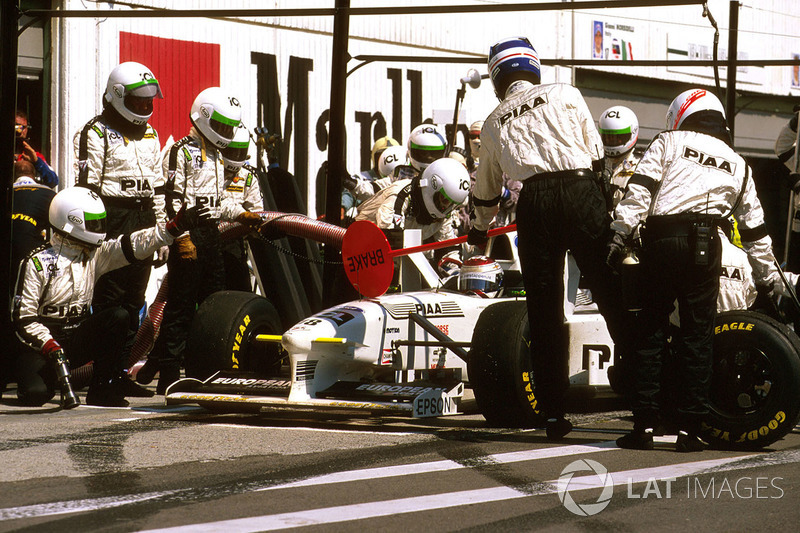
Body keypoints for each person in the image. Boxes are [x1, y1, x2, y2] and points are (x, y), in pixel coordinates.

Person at [609, 88, 798, 452]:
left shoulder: (668, 141)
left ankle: (645, 427)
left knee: (649, 331)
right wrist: (772, 281)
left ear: (680, 115)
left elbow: (640, 190)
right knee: (699, 337)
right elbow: (756, 230)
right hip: (705, 244)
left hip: (662, 239)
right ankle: (690, 432)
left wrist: (619, 235)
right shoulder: (738, 162)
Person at [469, 36, 629, 440]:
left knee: (544, 311)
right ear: (534, 68)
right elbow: (596, 154)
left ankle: (554, 415)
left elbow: (486, 193)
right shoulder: (566, 92)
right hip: (580, 190)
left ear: (496, 79)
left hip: (534, 203)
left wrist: (478, 231)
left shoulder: (492, 121)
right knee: (612, 292)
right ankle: (646, 403)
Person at [11, 187, 207, 407]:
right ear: (70, 219)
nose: (99, 228)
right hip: (42, 346)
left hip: (75, 339)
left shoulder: (95, 254)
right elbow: (23, 319)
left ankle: (103, 389)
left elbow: (133, 244)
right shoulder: (36, 262)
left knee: (119, 316)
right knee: (35, 394)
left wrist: (171, 229)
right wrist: (50, 346)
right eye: (93, 222)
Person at [141, 87, 252, 394]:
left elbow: (220, 203)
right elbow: (172, 200)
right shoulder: (181, 151)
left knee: (214, 307)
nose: (226, 133)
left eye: (230, 128)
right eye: (223, 126)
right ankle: (168, 376)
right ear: (204, 117)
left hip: (213, 235)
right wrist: (182, 238)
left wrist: (243, 215)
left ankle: (208, 369)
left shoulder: (218, 156)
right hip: (187, 237)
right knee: (179, 309)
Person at [73, 62, 166, 397]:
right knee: (110, 301)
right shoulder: (95, 132)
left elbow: (157, 186)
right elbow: (88, 189)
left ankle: (120, 372)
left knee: (133, 301)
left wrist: (160, 231)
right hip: (110, 217)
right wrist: (93, 234)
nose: (144, 106)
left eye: (148, 100)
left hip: (142, 217)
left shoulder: (152, 135)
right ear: (116, 96)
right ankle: (102, 380)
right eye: (138, 100)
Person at [355, 156, 469, 244]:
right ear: (433, 186)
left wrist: (453, 271)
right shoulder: (401, 193)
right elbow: (391, 235)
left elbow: (447, 246)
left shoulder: (444, 214)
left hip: (399, 254)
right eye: (444, 200)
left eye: (451, 204)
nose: (446, 207)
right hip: (361, 243)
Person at [220, 126, 264, 291]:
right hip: (206, 241)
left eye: (240, 152)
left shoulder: (248, 176)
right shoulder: (210, 168)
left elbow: (257, 212)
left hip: (234, 245)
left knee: (241, 291)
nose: (236, 156)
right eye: (232, 151)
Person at [598, 105, 641, 210]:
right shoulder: (596, 162)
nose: (612, 141)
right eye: (608, 137)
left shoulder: (643, 163)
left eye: (618, 138)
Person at [15, 109, 58, 188]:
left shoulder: (32, 155)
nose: (21, 131)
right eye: (17, 126)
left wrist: (37, 162)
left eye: (24, 127)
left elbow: (53, 181)